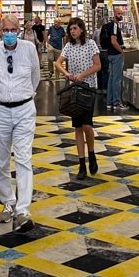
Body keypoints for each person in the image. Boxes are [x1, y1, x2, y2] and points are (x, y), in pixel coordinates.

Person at [0, 14, 40, 232]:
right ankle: (8, 201)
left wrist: (24, 96)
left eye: (12, 30)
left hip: (25, 108)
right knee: (1, 158)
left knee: (24, 158)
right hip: (0, 109)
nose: (8, 34)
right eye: (4, 30)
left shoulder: (28, 49)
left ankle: (23, 210)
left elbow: (35, 78)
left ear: (18, 30)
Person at [56, 18, 101, 180]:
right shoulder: (68, 46)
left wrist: (83, 75)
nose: (72, 31)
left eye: (74, 28)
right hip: (73, 90)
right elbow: (58, 63)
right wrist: (67, 74)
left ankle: (92, 153)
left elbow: (97, 65)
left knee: (87, 125)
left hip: (88, 88)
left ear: (81, 29)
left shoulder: (90, 44)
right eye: (70, 29)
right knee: (78, 128)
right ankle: (81, 164)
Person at [106, 5, 129, 111]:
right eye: (119, 13)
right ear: (114, 14)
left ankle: (109, 102)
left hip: (110, 54)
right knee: (116, 79)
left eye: (121, 13)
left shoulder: (109, 25)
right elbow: (113, 41)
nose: (120, 15)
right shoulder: (114, 26)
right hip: (116, 55)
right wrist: (121, 51)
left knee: (111, 79)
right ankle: (116, 102)